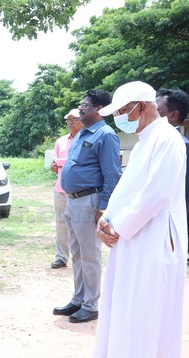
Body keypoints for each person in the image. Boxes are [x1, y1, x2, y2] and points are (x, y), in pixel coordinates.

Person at [93, 81, 187, 358]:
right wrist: (107, 219)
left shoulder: (167, 140)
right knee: (130, 309)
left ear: (141, 106)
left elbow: (155, 195)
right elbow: (129, 189)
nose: (120, 118)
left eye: (122, 111)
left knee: (150, 312)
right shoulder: (147, 139)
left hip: (154, 241)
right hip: (134, 239)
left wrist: (118, 225)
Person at [53, 89, 122, 323]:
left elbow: (112, 174)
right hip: (73, 200)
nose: (81, 108)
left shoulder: (106, 135)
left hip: (89, 201)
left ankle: (91, 305)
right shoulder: (83, 133)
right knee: (77, 253)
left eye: (86, 104)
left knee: (89, 255)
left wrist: (103, 208)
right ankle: (78, 299)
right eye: (81, 103)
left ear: (99, 109)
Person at [156, 89, 189, 263]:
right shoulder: (150, 142)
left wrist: (173, 228)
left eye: (157, 110)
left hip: (166, 224)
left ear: (173, 115)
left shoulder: (184, 146)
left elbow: (186, 192)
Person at [49, 108, 83, 269]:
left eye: (74, 119)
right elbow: (53, 166)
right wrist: (54, 166)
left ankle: (81, 257)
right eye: (68, 120)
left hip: (80, 190)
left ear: (82, 120)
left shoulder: (87, 139)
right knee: (61, 223)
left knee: (81, 223)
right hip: (61, 188)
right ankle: (61, 257)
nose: (70, 122)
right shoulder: (61, 141)